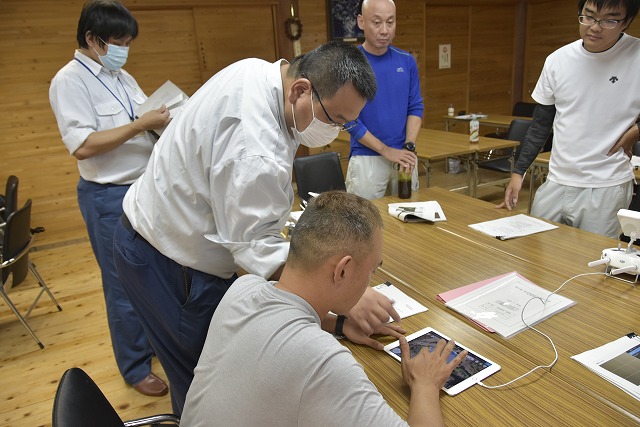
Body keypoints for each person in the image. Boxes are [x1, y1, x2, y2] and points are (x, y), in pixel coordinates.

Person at [113, 40, 406, 415]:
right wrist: (350, 294)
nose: (338, 131)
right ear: (300, 90)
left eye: (347, 123)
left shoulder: (261, 72)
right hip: (169, 260)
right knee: (208, 382)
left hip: (159, 231)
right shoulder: (256, 149)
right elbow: (254, 246)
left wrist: (335, 318)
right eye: (335, 120)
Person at [181, 191, 467, 426]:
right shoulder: (322, 361)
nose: (371, 281)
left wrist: (340, 324)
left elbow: (279, 322)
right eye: (372, 271)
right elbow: (302, 351)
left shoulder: (243, 289)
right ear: (342, 271)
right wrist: (426, 386)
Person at [49, 0, 170, 396]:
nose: (124, 49)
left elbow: (144, 116)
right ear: (92, 39)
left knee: (151, 273)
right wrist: (142, 125)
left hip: (142, 187)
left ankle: (152, 346)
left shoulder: (120, 76)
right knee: (120, 283)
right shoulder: (69, 81)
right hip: (107, 196)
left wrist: (160, 123)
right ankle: (135, 368)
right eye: (118, 42)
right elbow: (82, 145)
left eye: (127, 42)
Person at [499, 0, 640, 238]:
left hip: (606, 184)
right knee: (537, 253)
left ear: (625, 22)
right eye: (589, 16)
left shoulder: (636, 55)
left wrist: (637, 129)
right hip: (556, 179)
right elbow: (540, 124)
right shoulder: (557, 60)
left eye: (609, 20)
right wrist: (518, 172)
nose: (595, 27)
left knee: (588, 265)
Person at [345, 0, 424, 200]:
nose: (384, 30)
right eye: (377, 22)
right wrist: (386, 150)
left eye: (390, 22)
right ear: (361, 22)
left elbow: (415, 107)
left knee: (410, 221)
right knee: (364, 226)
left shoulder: (406, 61)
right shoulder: (350, 63)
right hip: (366, 159)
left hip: (404, 158)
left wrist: (409, 146)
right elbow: (348, 119)